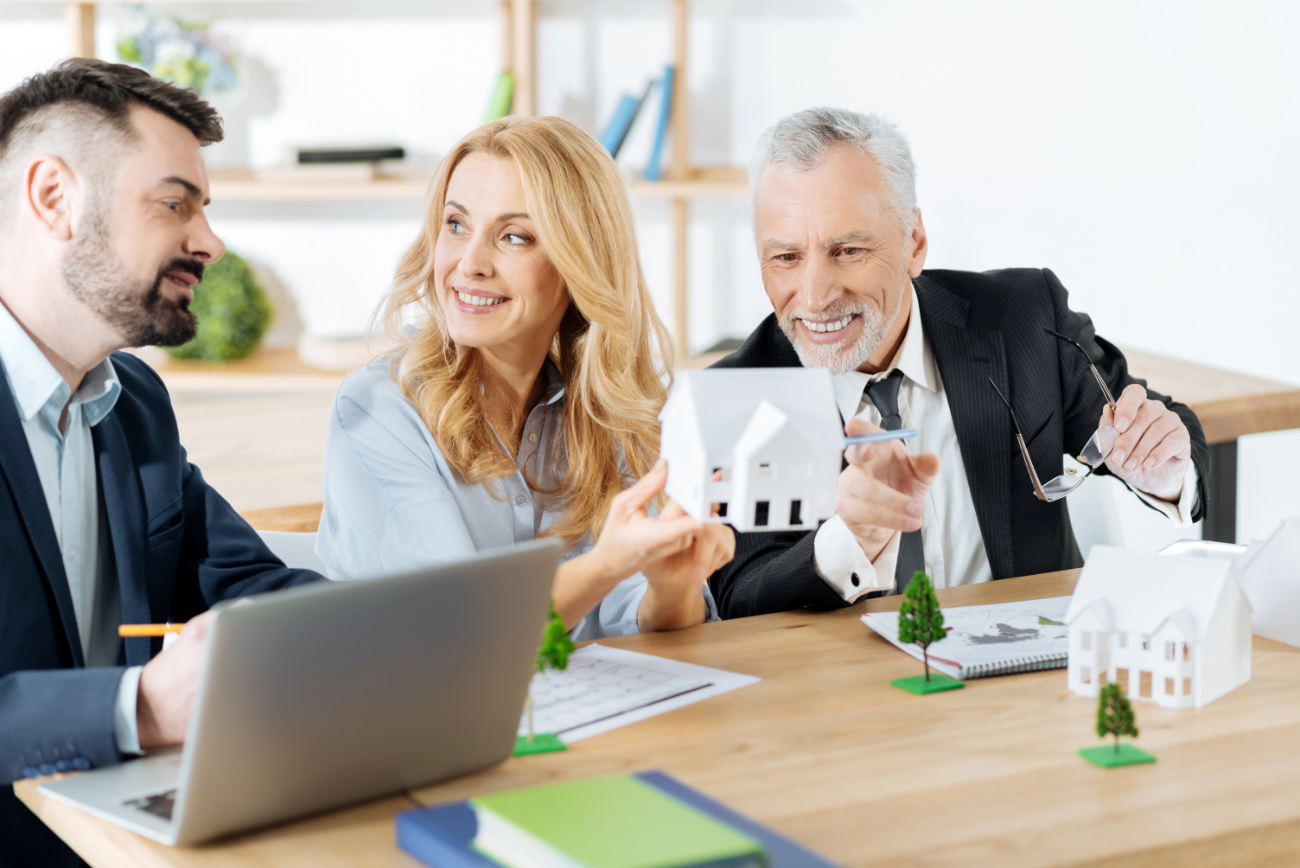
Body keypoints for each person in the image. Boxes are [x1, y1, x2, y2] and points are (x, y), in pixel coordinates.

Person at [0, 60, 323, 865]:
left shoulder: (133, 401)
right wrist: (133, 708)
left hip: (132, 834)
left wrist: (386, 636)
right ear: (54, 199)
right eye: (175, 203)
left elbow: (246, 584)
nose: (209, 242)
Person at [708, 108, 1208, 618]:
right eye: (786, 258)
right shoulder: (736, 397)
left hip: (1033, 672)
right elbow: (739, 597)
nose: (813, 298)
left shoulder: (1024, 317)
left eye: (848, 250)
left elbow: (1158, 429)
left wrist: (1165, 470)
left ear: (914, 243)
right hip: (850, 690)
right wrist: (847, 540)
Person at [316, 116, 733, 638]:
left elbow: (646, 627)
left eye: (514, 236)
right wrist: (607, 565)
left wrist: (670, 588)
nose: (470, 263)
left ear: (579, 264)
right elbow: (458, 628)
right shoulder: (379, 408)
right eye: (456, 225)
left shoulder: (609, 413)